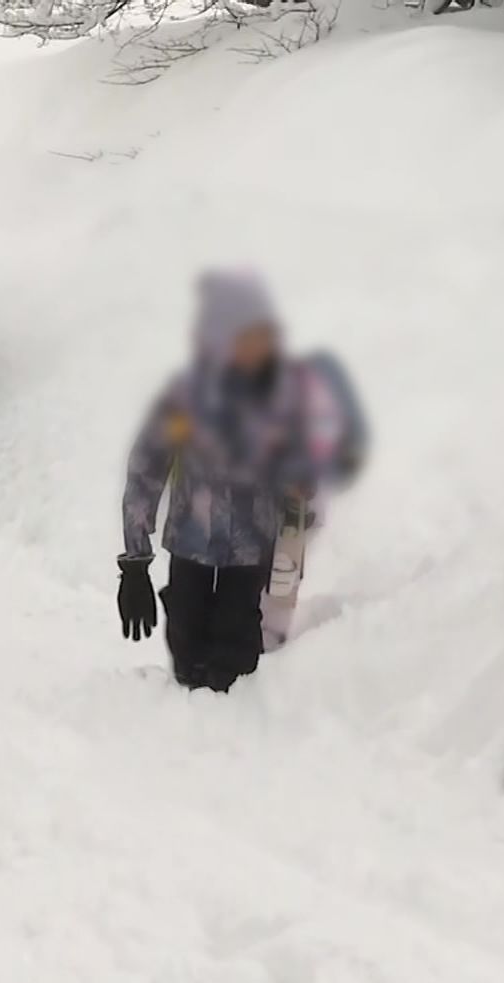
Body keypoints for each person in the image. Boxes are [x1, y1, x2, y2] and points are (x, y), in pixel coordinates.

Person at [117, 270, 313, 692]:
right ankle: (186, 726)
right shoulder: (185, 400)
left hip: (251, 554)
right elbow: (146, 471)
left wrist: (296, 516)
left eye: (259, 334)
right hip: (190, 548)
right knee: (187, 655)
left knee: (235, 665)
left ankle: (236, 729)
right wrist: (135, 563)